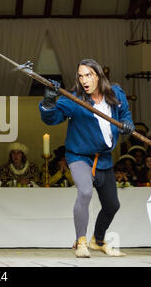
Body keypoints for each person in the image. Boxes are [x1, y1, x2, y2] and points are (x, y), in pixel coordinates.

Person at [39, 58, 133, 257]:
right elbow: (52, 117)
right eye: (80, 76)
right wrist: (48, 102)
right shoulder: (73, 98)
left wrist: (126, 123)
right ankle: (81, 242)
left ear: (98, 76)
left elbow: (125, 114)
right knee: (85, 192)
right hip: (79, 156)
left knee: (112, 205)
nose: (84, 80)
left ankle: (97, 241)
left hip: (104, 159)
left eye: (88, 75)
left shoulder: (116, 93)